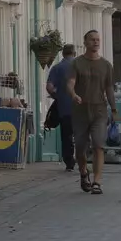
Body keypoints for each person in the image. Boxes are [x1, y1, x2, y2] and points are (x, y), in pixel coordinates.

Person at [68, 30, 116, 194]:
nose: (96, 42)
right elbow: (71, 83)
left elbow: (109, 88)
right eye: (92, 40)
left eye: (98, 40)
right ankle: (83, 172)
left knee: (98, 145)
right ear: (85, 42)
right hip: (80, 110)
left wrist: (114, 108)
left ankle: (97, 181)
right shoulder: (77, 63)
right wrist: (73, 95)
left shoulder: (106, 65)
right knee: (80, 147)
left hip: (99, 110)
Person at [45, 44, 77, 172]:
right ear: (74, 53)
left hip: (65, 108)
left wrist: (56, 95)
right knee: (82, 134)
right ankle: (83, 159)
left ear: (63, 54)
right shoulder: (80, 66)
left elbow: (49, 87)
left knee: (66, 135)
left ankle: (69, 162)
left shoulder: (57, 68)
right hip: (81, 107)